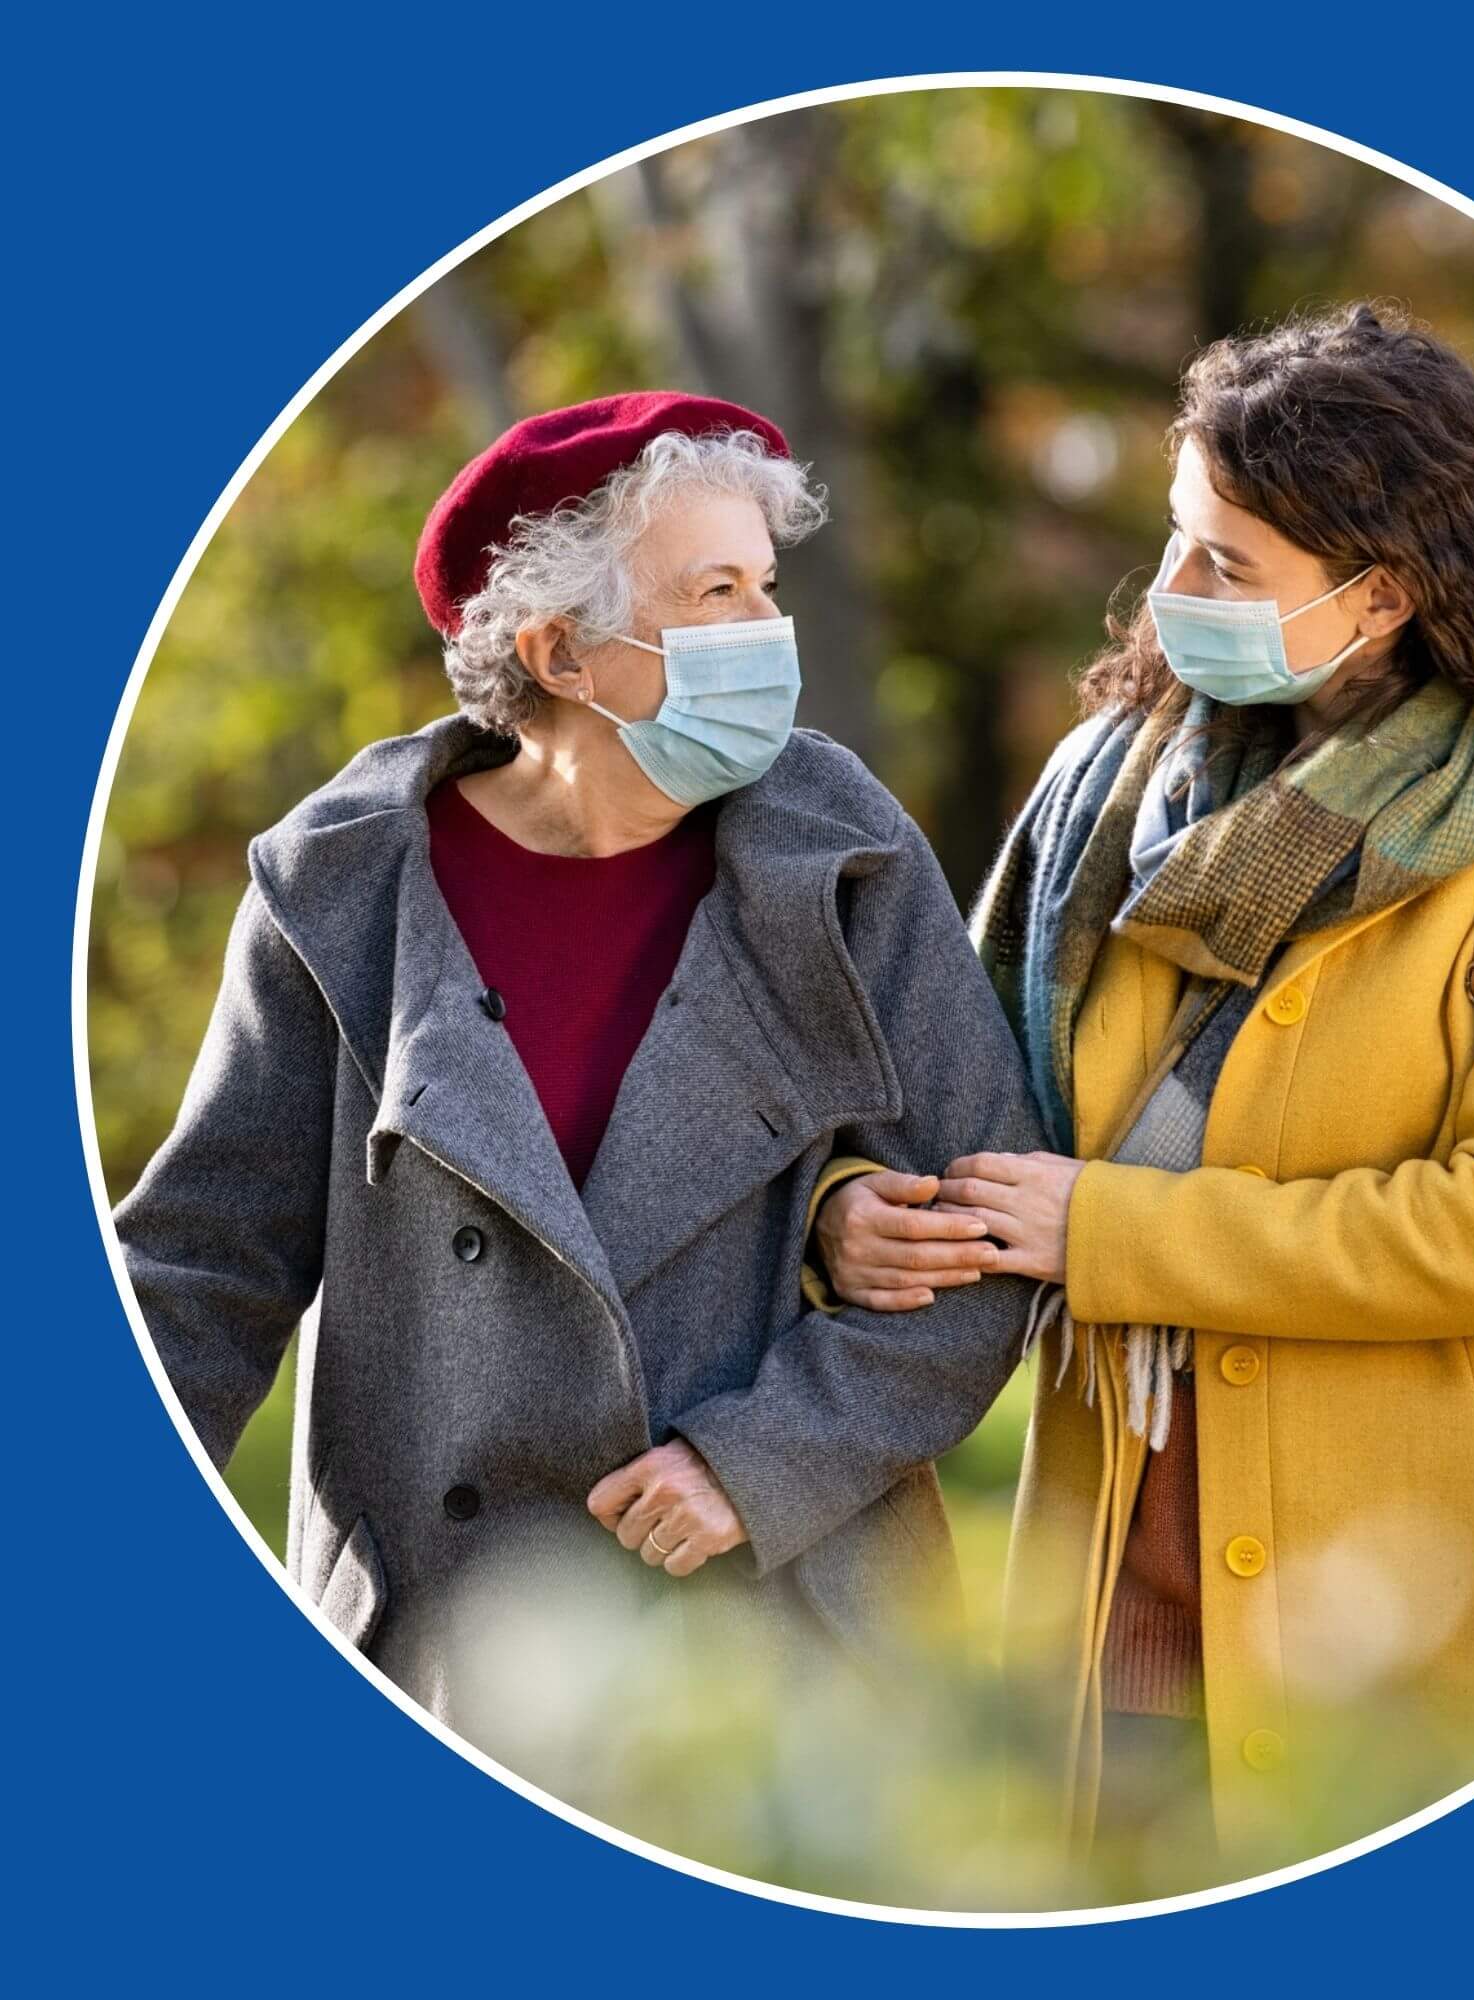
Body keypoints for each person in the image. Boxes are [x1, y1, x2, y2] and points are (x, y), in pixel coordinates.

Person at [810, 303, 1474, 1883]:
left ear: (1380, 598)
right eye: (1174, 545)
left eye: (1226, 568)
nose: (1170, 603)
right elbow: (929, 1093)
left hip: (1426, 1596)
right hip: (1117, 1580)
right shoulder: (1114, 798)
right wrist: (852, 1215)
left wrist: (1110, 1234)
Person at [114, 391, 1045, 1762]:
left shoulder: (843, 850)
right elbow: (199, 1277)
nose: (764, 637)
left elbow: (990, 1224)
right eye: (714, 591)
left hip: (798, 1635)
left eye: (764, 587)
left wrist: (765, 1457)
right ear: (560, 651)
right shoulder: (340, 888)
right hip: (450, 1644)